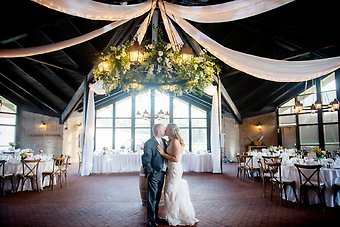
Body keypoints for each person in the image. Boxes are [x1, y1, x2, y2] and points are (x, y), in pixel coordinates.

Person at [157, 123, 199, 226]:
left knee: (169, 192)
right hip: (171, 169)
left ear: (171, 131)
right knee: (172, 192)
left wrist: (162, 153)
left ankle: (173, 217)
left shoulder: (175, 142)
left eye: (166, 128)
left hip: (175, 169)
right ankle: (172, 214)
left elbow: (176, 159)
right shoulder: (170, 141)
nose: (165, 130)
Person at [142, 124, 168, 227]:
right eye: (163, 129)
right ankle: (151, 220)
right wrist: (151, 172)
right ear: (158, 132)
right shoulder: (149, 143)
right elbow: (145, 160)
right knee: (151, 198)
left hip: (162, 173)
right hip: (154, 174)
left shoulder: (164, 141)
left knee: (157, 197)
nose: (165, 130)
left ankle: (156, 217)